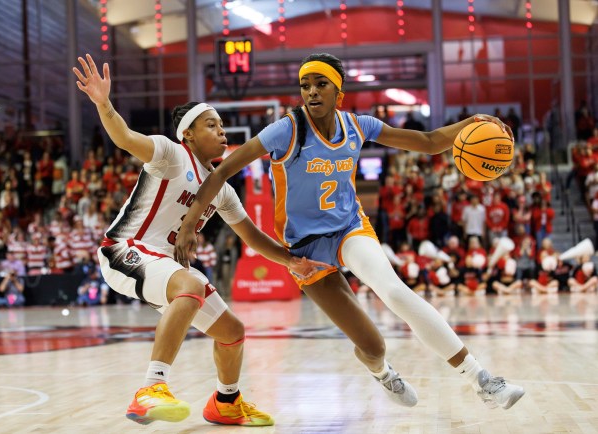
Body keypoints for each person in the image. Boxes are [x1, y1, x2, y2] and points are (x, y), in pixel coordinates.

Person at [175, 53, 525, 410]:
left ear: (338, 92)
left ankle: (482, 380)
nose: (311, 92)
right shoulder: (286, 130)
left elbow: (431, 141)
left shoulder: (359, 126)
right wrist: (189, 224)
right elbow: (221, 172)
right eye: (305, 85)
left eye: (321, 84)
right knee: (373, 347)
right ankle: (382, 372)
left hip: (349, 229)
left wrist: (475, 122)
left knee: (395, 292)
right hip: (304, 250)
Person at [72, 53, 326, 427]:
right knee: (189, 285)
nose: (222, 132)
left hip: (164, 264)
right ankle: (150, 389)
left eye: (222, 125)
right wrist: (104, 103)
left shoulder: (220, 188)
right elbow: (125, 138)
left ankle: (226, 401)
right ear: (188, 133)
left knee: (232, 332)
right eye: (212, 125)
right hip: (123, 250)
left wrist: (291, 260)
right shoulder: (171, 154)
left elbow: (251, 237)